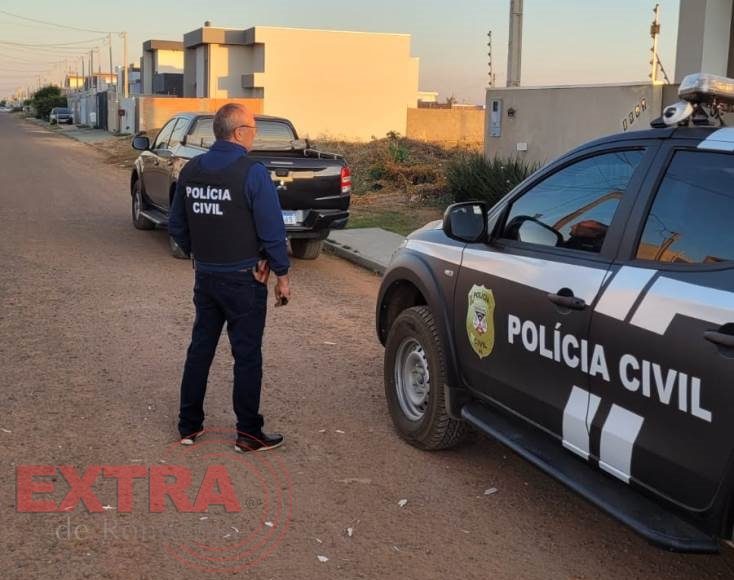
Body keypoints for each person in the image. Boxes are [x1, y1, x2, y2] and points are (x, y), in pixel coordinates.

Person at [168, 102, 291, 453]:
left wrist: (200, 254)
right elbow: (271, 230)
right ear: (239, 133)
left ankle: (189, 425)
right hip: (245, 281)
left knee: (200, 349)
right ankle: (248, 434)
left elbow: (177, 225)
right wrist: (282, 274)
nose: (255, 135)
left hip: (206, 277)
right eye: (253, 129)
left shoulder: (191, 169)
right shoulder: (252, 172)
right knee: (247, 356)